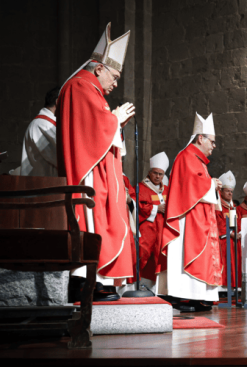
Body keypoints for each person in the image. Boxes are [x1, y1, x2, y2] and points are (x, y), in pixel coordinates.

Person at [59, 23, 134, 302]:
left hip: (97, 170)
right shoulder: (80, 86)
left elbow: (100, 128)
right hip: (87, 172)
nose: (115, 84)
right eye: (114, 76)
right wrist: (114, 119)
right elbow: (91, 132)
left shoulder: (92, 91)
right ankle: (88, 282)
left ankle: (98, 281)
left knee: (102, 221)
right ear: (99, 68)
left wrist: (114, 120)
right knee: (93, 221)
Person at [158, 113, 222, 312]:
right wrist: (211, 184)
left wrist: (212, 185)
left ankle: (200, 296)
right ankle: (188, 297)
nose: (214, 146)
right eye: (212, 141)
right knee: (191, 254)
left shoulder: (198, 159)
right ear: (200, 138)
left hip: (200, 216)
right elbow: (192, 185)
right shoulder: (187, 156)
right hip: (189, 219)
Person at [135, 152, 169, 289]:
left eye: (161, 174)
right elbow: (138, 205)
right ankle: (137, 285)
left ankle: (156, 288)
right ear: (149, 172)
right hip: (147, 228)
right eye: (155, 173)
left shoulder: (167, 190)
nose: (157, 177)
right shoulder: (140, 188)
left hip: (163, 230)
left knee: (160, 258)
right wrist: (156, 208)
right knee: (142, 255)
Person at [20, 86, 60, 177]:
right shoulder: (42, 124)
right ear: (58, 102)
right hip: (41, 187)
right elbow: (61, 158)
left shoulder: (47, 123)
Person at [216, 170, 241, 288]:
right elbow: (218, 222)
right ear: (220, 191)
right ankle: (223, 286)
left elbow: (238, 221)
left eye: (231, 191)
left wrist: (239, 232)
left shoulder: (233, 207)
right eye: (227, 191)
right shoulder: (217, 205)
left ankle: (233, 286)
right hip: (223, 241)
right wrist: (230, 233)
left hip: (234, 240)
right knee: (225, 263)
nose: (230, 194)